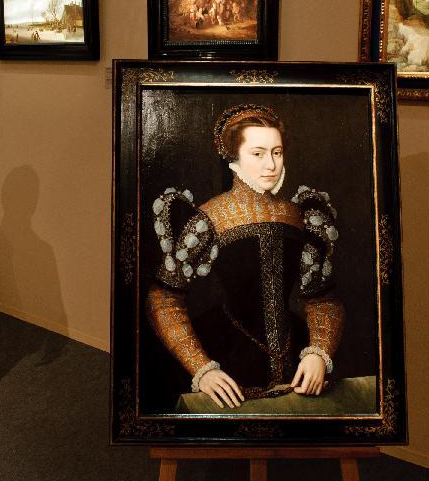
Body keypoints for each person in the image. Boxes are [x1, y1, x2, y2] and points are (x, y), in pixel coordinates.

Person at [146, 104, 345, 408]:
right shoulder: (210, 217)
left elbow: (322, 299)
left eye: (277, 153)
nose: (271, 165)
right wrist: (202, 369)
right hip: (225, 354)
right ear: (233, 157)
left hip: (297, 358)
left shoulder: (300, 216)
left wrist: (319, 351)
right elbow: (163, 299)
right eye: (258, 153)